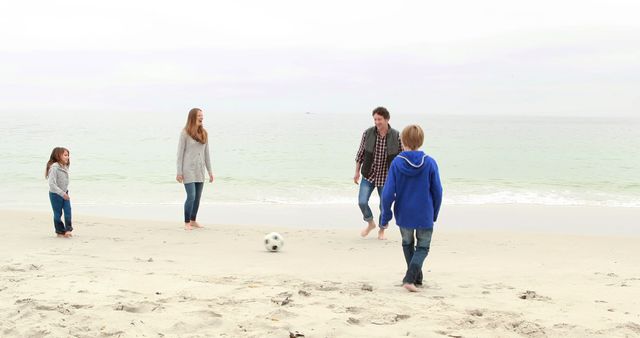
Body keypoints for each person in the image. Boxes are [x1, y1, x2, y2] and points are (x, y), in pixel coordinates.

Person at [381, 125, 443, 292]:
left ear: (403, 141)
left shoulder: (396, 163)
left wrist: (385, 217)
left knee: (407, 244)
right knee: (422, 247)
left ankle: (415, 278)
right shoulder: (430, 162)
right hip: (424, 213)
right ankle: (411, 279)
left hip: (404, 213)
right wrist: (434, 213)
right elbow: (438, 191)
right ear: (421, 141)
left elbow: (387, 193)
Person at [354, 106, 403, 240]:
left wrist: (401, 177)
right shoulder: (367, 133)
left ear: (387, 119)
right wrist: (357, 172)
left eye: (379, 119)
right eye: (375, 119)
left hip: (387, 178)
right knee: (362, 202)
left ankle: (382, 230)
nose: (377, 122)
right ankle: (370, 223)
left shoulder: (396, 135)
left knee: (384, 206)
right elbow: (360, 154)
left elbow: (402, 157)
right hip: (369, 174)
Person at [176, 108, 215, 230]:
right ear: (193, 117)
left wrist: (210, 171)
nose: (201, 117)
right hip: (188, 170)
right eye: (199, 115)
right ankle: (186, 222)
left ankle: (193, 220)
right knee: (191, 196)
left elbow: (206, 154)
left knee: (197, 197)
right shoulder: (185, 133)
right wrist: (179, 172)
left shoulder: (204, 133)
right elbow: (180, 154)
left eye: (202, 115)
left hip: (200, 170)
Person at [46, 147, 73, 238]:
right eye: (65, 155)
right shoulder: (54, 168)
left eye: (68, 155)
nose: (67, 157)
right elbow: (52, 184)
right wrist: (62, 193)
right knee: (57, 214)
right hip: (55, 194)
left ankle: (68, 230)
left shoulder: (65, 166)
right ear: (58, 156)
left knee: (68, 211)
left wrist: (65, 193)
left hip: (65, 193)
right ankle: (60, 231)